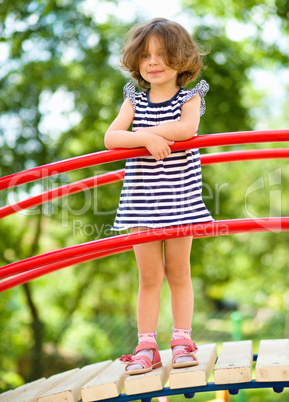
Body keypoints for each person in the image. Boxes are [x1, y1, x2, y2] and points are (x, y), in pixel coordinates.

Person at [104, 17, 213, 375]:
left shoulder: (189, 98)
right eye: (146, 55)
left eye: (163, 55)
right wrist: (147, 138)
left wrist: (146, 133)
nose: (153, 61)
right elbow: (112, 138)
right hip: (141, 204)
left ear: (181, 59)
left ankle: (182, 339)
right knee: (149, 277)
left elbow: (187, 129)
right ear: (136, 61)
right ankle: (146, 345)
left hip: (180, 200)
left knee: (178, 272)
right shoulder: (133, 101)